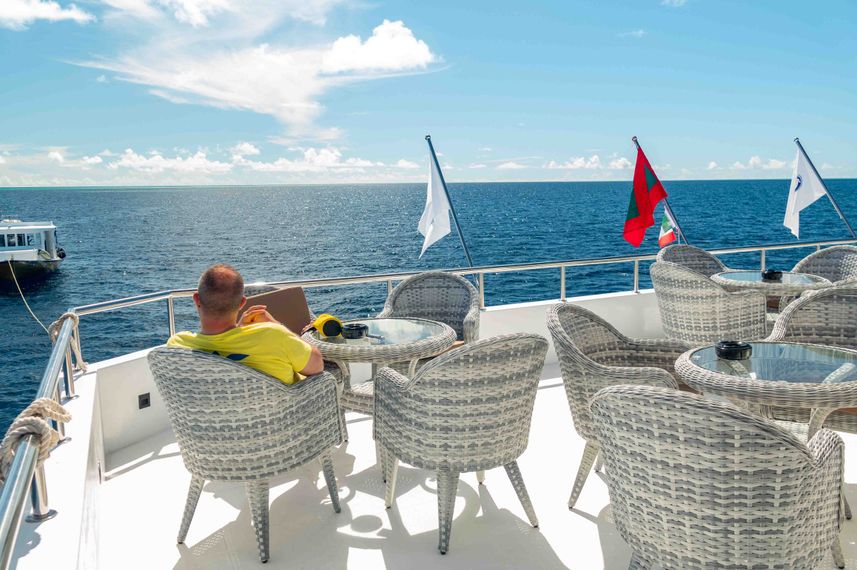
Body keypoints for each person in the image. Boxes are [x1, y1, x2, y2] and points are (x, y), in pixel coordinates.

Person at [167, 263, 324, 384]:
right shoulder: (274, 336)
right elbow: (317, 366)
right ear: (242, 303)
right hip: (282, 414)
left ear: (196, 299)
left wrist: (238, 329)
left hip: (208, 417)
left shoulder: (176, 346)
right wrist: (276, 325)